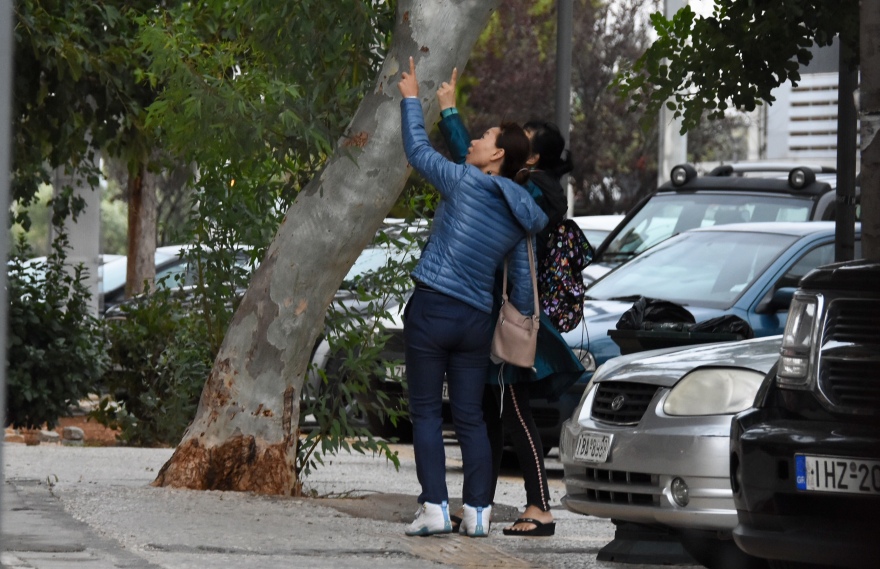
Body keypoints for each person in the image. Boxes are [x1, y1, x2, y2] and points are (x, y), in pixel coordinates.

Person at [396, 57, 549, 538]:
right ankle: (479, 512)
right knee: (468, 416)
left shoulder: (464, 183)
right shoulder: (521, 213)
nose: (477, 141)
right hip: (476, 320)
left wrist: (410, 98)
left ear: (497, 156)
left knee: (424, 410)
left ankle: (435, 508)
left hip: (433, 307)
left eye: (484, 138)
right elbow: (523, 286)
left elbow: (418, 152)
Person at [436, 69, 585, 537]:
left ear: (525, 154)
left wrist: (450, 114)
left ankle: (540, 506)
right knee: (486, 412)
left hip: (510, 318)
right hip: (494, 314)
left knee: (513, 410)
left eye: (507, 138)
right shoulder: (522, 188)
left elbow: (477, 167)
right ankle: (477, 501)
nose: (491, 139)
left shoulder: (529, 193)